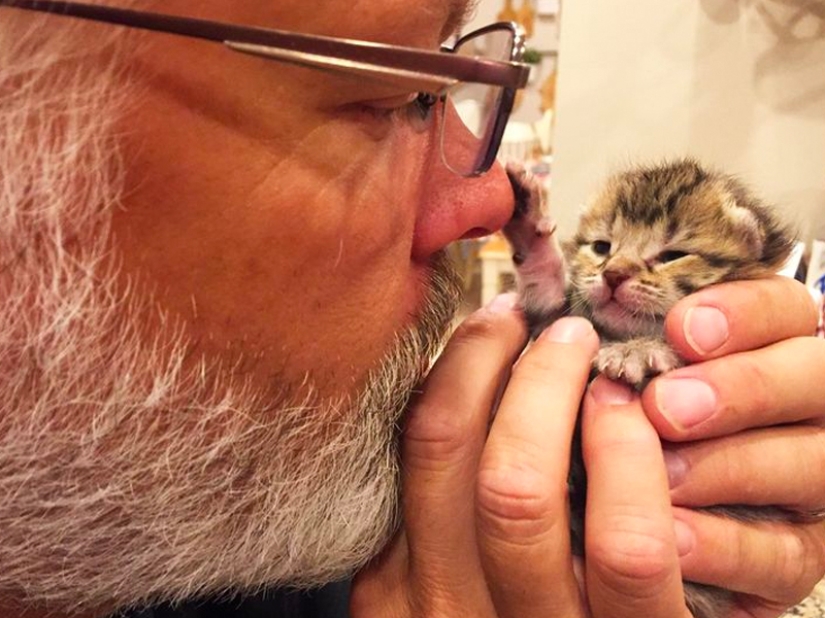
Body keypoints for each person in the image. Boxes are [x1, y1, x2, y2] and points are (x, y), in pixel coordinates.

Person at [0, 1, 824, 618]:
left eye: (449, 90)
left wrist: (390, 587)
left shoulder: (215, 528)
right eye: (389, 95)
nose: (484, 197)